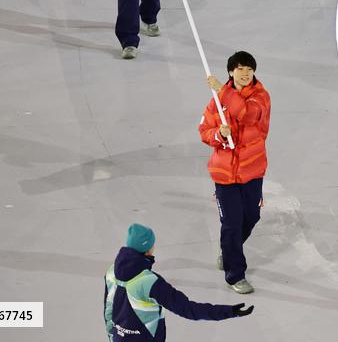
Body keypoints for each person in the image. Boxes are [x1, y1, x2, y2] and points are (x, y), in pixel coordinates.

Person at [104, 221, 253, 340]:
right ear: (148, 249)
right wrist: (230, 311)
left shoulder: (111, 272)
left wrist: (113, 336)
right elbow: (188, 309)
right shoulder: (149, 282)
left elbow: (108, 308)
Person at [199, 51, 271, 294]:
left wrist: (223, 90)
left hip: (252, 172)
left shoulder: (260, 97)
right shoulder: (216, 101)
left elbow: (247, 114)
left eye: (249, 69)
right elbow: (204, 131)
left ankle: (229, 250)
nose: (245, 73)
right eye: (239, 68)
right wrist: (220, 135)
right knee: (231, 223)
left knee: (251, 217)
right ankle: (235, 275)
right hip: (225, 174)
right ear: (231, 71)